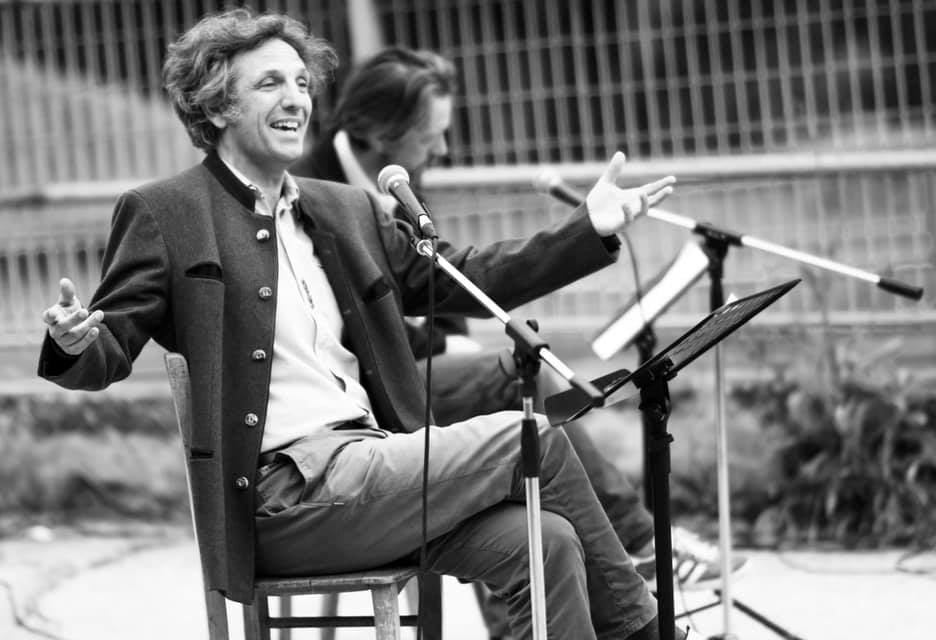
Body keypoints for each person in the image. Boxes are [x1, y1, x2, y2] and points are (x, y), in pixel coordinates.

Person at [38, 9, 686, 639]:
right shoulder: (167, 213)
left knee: (548, 542)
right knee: (531, 437)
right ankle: (648, 631)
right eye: (270, 83)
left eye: (301, 82)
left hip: (376, 465)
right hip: (282, 499)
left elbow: (464, 277)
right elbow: (108, 344)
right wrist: (74, 341)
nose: (296, 98)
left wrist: (586, 230)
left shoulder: (346, 209)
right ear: (216, 106)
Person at [292, 46, 746, 637]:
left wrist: (585, 230)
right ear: (381, 132)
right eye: (432, 134)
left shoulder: (394, 180)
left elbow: (444, 278)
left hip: (418, 378)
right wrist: (438, 350)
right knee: (509, 390)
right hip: (362, 410)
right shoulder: (310, 193)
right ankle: (636, 547)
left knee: (518, 397)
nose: (444, 149)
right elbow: (344, 332)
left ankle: (582, 594)